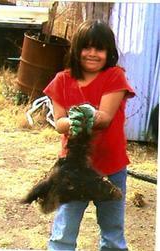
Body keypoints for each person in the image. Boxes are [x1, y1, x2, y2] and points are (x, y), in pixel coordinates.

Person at [43, 19, 135, 251]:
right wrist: (72, 121)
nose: (92, 53)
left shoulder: (115, 76)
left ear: (109, 52)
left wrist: (86, 114)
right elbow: (59, 122)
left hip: (111, 168)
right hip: (74, 170)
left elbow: (103, 119)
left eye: (100, 48)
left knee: (112, 232)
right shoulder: (61, 80)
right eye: (87, 47)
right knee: (63, 231)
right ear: (76, 50)